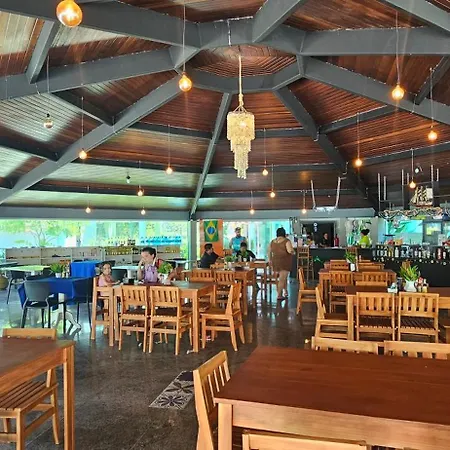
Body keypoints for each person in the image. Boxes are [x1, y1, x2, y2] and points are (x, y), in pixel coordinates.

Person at [269, 227, 295, 301]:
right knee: (282, 279)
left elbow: (269, 251)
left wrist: (270, 259)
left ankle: (285, 292)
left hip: (275, 261)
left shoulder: (272, 241)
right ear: (284, 233)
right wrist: (293, 252)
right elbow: (289, 250)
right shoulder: (286, 241)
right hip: (284, 262)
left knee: (282, 278)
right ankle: (279, 295)